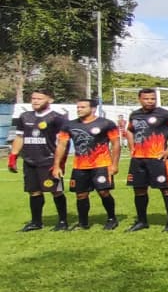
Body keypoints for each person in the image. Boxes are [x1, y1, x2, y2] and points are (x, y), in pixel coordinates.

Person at [52, 98, 120, 230]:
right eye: (78, 107)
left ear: (93, 109)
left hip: (101, 164)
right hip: (80, 166)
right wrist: (56, 165)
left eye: (83, 107)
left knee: (103, 192)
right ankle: (83, 223)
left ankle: (112, 219)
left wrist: (114, 164)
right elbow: (61, 145)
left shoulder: (106, 123)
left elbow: (115, 144)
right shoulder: (69, 125)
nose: (79, 109)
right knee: (81, 194)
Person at [124, 88, 168, 232]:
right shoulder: (135, 115)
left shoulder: (165, 114)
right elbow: (130, 130)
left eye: (153, 99)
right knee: (139, 190)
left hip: (157, 159)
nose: (150, 101)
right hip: (138, 159)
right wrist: (132, 147)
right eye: (146, 99)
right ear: (139, 99)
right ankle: (142, 221)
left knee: (166, 189)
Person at [10, 88, 69, 231]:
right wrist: (13, 156)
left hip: (49, 161)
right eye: (33, 98)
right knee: (34, 191)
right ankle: (36, 222)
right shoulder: (25, 116)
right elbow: (19, 137)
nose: (35, 101)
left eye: (39, 98)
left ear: (50, 100)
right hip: (30, 161)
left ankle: (63, 222)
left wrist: (60, 163)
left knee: (56, 191)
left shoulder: (57, 118)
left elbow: (63, 143)